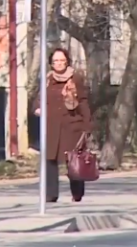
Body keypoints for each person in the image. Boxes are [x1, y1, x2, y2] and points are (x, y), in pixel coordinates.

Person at [35, 48, 93, 203]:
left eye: (62, 60)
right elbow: (39, 98)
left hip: (71, 126)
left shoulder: (76, 78)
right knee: (49, 160)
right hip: (51, 126)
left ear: (67, 61)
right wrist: (37, 108)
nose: (59, 63)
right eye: (55, 61)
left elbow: (83, 101)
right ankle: (51, 194)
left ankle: (77, 193)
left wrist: (87, 126)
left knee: (73, 161)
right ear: (51, 63)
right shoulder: (47, 79)